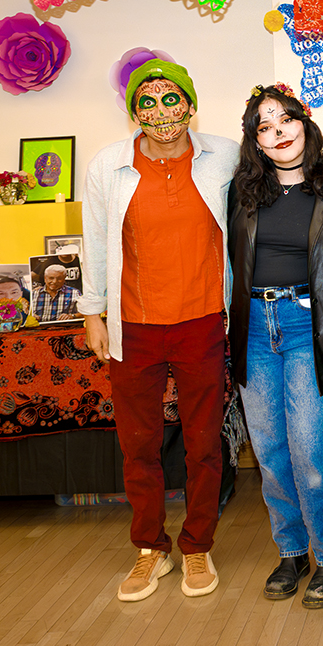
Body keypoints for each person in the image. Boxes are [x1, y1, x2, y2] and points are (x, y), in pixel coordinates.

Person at [79, 59, 238, 602]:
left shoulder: (225, 158)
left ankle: (197, 546)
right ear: (133, 112)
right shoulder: (108, 165)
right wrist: (93, 311)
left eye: (172, 99)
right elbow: (96, 243)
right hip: (134, 326)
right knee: (139, 444)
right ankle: (150, 549)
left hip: (201, 322)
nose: (161, 111)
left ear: (191, 105)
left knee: (202, 443)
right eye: (147, 101)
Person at [227, 83, 323, 608]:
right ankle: (292, 550)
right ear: (256, 142)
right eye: (264, 125)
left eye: (285, 120)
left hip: (310, 327)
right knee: (270, 451)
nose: (277, 131)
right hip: (254, 327)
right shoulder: (241, 192)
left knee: (313, 452)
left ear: (305, 125)